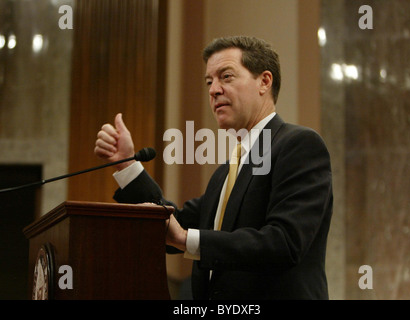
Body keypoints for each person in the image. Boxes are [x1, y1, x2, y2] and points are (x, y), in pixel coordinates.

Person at [94, 36, 333, 300]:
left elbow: (284, 243)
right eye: (209, 82)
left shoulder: (299, 145)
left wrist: (186, 239)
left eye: (226, 77)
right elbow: (177, 223)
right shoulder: (227, 171)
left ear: (264, 81)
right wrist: (128, 164)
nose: (213, 90)